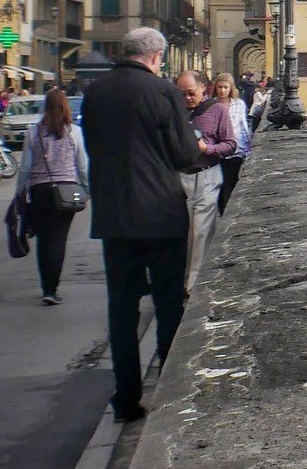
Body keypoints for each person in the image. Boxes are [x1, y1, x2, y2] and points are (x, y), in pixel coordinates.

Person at [83, 27, 205, 423]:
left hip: (115, 217)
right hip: (160, 214)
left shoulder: (95, 92)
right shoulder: (163, 92)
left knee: (121, 309)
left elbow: (92, 147)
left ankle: (126, 398)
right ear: (156, 56)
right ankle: (170, 394)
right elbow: (186, 153)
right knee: (168, 304)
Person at [12, 87, 89, 304]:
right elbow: (82, 165)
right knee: (59, 239)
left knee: (44, 239)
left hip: (40, 191)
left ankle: (46, 286)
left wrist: (20, 191)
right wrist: (86, 188)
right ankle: (52, 288)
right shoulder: (74, 132)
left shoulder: (33, 132)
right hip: (67, 191)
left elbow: (25, 167)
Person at [179, 70, 236, 287]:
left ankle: (193, 284)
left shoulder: (217, 111)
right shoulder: (176, 111)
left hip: (207, 176)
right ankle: (188, 278)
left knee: (200, 231)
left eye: (190, 93)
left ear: (203, 87)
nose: (186, 98)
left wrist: (208, 148)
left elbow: (231, 144)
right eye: (181, 93)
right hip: (180, 177)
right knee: (185, 233)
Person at [214, 73, 251, 211]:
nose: (222, 90)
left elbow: (243, 127)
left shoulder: (239, 104)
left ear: (231, 88)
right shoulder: (211, 104)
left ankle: (229, 211)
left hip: (236, 150)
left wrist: (247, 150)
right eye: (220, 87)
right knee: (220, 184)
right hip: (217, 151)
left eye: (225, 87)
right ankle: (222, 210)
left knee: (232, 182)